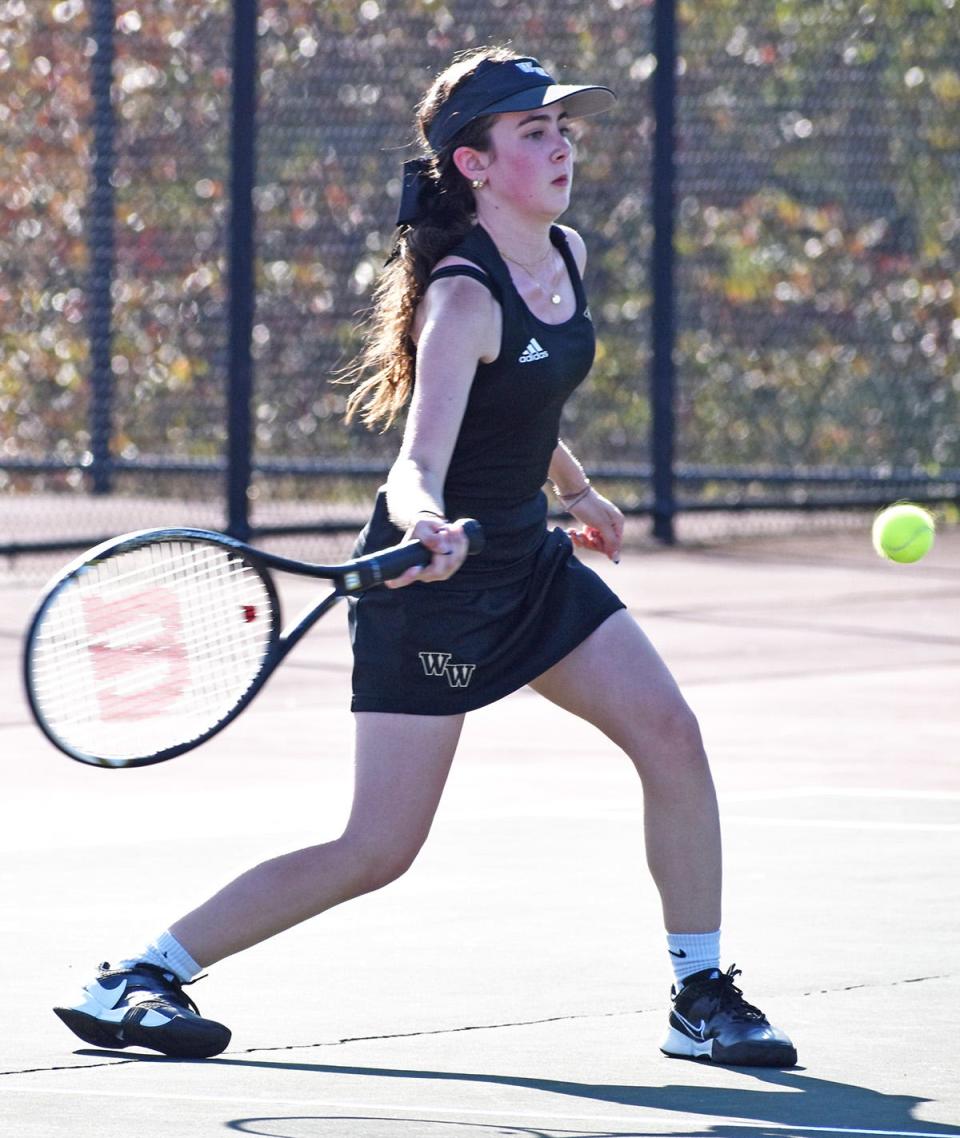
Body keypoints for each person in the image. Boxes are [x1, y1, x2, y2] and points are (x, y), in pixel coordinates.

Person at [54, 47, 796, 1068]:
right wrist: (426, 526)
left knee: (670, 732)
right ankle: (140, 974)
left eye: (562, 126)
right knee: (378, 848)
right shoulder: (461, 298)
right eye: (533, 131)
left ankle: (700, 992)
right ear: (475, 163)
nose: (561, 143)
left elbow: (525, 403)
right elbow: (417, 460)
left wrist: (573, 489)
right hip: (429, 587)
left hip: (527, 568)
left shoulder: (567, 254)